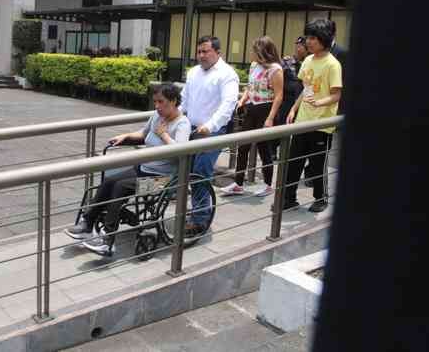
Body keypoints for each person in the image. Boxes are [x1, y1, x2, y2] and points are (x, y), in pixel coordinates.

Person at [64, 83, 191, 256]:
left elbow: (181, 152)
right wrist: (126, 136)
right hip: (143, 169)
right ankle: (87, 224)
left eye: (161, 102)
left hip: (162, 181)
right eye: (155, 101)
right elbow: (144, 134)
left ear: (174, 101)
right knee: (109, 181)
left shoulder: (182, 123)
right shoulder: (157, 116)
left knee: (120, 187)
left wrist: (164, 135)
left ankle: (108, 240)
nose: (157, 106)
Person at [179, 36, 239, 236]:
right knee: (185, 170)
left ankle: (200, 220)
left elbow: (228, 105)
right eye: (199, 51)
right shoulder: (193, 72)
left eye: (206, 51)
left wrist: (210, 126)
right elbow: (184, 101)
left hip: (213, 132)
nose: (201, 55)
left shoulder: (227, 74)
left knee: (200, 173)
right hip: (190, 129)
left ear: (218, 53)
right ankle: (191, 211)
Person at [283, 18, 342, 213]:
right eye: (308, 37)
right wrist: (293, 109)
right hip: (303, 121)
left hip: (321, 124)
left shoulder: (332, 64)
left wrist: (320, 102)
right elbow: (305, 89)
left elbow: (336, 94)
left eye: (313, 38)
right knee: (294, 162)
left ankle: (321, 198)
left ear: (324, 39)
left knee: (318, 165)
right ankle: (288, 198)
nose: (308, 41)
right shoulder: (308, 60)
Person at [220, 36, 284, 197]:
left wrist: (270, 118)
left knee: (264, 148)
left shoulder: (275, 69)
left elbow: (279, 96)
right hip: (252, 108)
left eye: (254, 50)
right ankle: (238, 183)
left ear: (263, 52)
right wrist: (242, 100)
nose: (251, 53)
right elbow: (250, 88)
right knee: (243, 146)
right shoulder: (254, 66)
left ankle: (268, 185)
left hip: (266, 109)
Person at [270, 36, 305, 160]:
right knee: (281, 126)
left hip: (301, 101)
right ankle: (273, 150)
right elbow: (277, 76)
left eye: (302, 46)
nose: (299, 49)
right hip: (287, 100)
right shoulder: (287, 61)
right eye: (297, 46)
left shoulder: (309, 63)